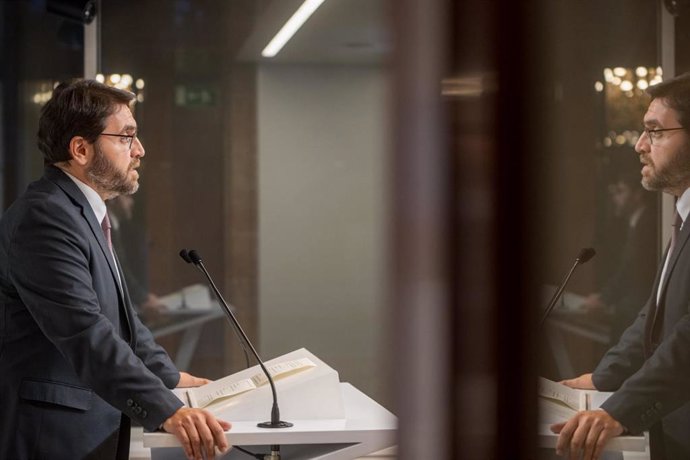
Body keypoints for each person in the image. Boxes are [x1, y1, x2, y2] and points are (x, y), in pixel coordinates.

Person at [0, 80, 230, 460]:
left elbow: (123, 321)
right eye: (126, 137)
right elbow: (86, 332)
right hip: (51, 436)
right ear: (81, 149)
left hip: (88, 427)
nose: (139, 150)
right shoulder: (45, 218)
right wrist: (167, 408)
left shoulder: (79, 211)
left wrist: (173, 379)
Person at [552, 72, 690, 460]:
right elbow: (658, 315)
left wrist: (618, 409)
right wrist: (602, 378)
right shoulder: (684, 213)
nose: (640, 146)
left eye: (655, 131)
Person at [581, 165, 658, 345]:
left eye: (621, 191)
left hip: (640, 310)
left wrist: (604, 299)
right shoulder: (635, 223)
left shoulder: (648, 224)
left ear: (638, 195)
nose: (615, 198)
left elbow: (632, 270)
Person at [107, 195, 166, 316]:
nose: (131, 202)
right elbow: (120, 270)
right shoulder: (106, 227)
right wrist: (143, 298)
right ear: (113, 198)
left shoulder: (115, 226)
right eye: (127, 197)